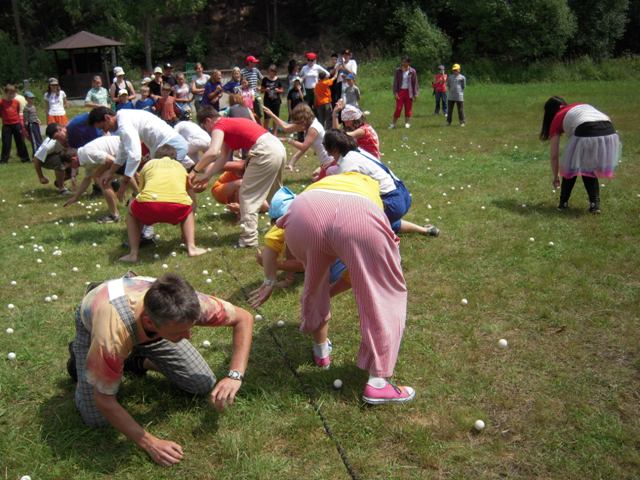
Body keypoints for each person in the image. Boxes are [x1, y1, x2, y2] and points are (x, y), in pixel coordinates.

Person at [249, 172, 415, 404]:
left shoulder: (308, 193)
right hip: (358, 216)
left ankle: (321, 353)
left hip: (304, 215)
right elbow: (356, 274)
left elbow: (270, 244)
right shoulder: (369, 187)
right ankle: (378, 382)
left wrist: (269, 280)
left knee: (315, 285)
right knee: (385, 293)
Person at [66, 272, 253, 465]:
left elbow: (244, 318)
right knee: (96, 417)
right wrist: (150, 443)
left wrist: (234, 375)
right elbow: (103, 400)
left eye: (190, 327)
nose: (188, 337)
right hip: (98, 316)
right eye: (180, 331)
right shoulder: (111, 337)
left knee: (201, 383)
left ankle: (133, 361)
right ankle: (81, 358)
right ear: (149, 322)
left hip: (149, 324)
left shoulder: (188, 305)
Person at [192, 106, 286, 247]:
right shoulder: (228, 124)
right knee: (275, 194)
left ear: (208, 121)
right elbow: (223, 158)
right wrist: (207, 176)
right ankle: (287, 227)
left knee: (247, 195)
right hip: (277, 147)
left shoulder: (219, 125)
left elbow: (213, 152)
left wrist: (194, 170)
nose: (208, 131)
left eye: (205, 128)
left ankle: (248, 240)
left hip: (265, 151)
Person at [323, 129, 440, 237]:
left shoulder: (347, 164)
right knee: (386, 222)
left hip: (392, 202)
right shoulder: (358, 152)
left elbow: (344, 196)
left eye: (329, 152)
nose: (329, 156)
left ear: (335, 149)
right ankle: (425, 230)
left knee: (354, 224)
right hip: (403, 194)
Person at [120, 145, 206, 261]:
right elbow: (188, 191)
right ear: (175, 158)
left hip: (149, 205)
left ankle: (133, 253)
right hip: (177, 208)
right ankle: (191, 247)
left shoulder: (149, 164)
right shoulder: (181, 167)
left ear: (155, 156)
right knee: (188, 209)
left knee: (132, 211)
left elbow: (141, 190)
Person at [88, 107, 193, 201]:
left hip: (171, 147)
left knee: (160, 185)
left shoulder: (124, 124)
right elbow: (122, 152)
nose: (105, 131)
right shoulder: (124, 117)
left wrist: (123, 185)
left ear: (107, 118)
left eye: (103, 127)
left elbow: (135, 156)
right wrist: (111, 172)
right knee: (161, 184)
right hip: (166, 147)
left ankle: (182, 207)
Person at [539, 96, 621, 213]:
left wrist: (556, 177)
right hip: (609, 130)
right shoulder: (578, 106)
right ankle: (594, 205)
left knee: (570, 167)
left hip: (586, 129)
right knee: (588, 167)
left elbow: (554, 155)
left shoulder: (557, 117)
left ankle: (563, 203)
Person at [63, 135, 133, 223]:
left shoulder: (86, 154)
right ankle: (138, 198)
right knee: (108, 178)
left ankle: (115, 215)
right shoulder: (83, 158)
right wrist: (75, 197)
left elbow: (111, 161)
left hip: (125, 148)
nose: (72, 168)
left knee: (103, 180)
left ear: (73, 159)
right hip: (122, 151)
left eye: (70, 166)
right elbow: (87, 179)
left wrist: (98, 173)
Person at [263, 102, 333, 171]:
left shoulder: (313, 128)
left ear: (303, 119)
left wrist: (288, 140)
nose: (296, 124)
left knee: (316, 177)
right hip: (326, 162)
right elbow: (286, 127)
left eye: (298, 122)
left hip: (330, 162)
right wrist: (271, 114)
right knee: (315, 175)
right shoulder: (308, 124)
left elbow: (303, 147)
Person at [32, 123, 73, 194]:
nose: (59, 139)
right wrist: (41, 177)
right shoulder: (49, 145)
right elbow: (36, 159)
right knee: (59, 162)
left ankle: (58, 182)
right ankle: (62, 189)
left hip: (59, 153)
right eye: (56, 138)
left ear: (61, 129)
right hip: (45, 159)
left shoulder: (72, 132)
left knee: (73, 169)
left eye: (58, 137)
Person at [1, 84, 30, 163]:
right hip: (6, 125)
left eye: (13, 93)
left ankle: (25, 158)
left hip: (16, 124)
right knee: (6, 143)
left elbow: (17, 111)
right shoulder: (1, 102)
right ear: (6, 93)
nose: (12, 95)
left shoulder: (16, 102)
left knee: (20, 141)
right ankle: (4, 160)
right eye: (10, 93)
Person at [390, 57, 418, 129]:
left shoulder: (412, 71)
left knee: (408, 108)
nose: (403, 63)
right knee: (398, 108)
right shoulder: (398, 71)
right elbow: (395, 82)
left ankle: (407, 123)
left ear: (409, 63)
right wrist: (395, 93)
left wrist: (415, 94)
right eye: (402, 62)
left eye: (405, 62)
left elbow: (415, 83)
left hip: (409, 92)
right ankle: (393, 124)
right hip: (400, 92)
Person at [261, 64, 284, 132]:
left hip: (276, 101)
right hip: (267, 101)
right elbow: (261, 90)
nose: (271, 73)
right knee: (267, 118)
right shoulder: (265, 79)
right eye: (270, 71)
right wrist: (265, 90)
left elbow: (282, 90)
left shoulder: (278, 79)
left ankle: (275, 134)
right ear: (268, 71)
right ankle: (265, 133)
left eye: (273, 71)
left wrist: (278, 90)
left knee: (275, 118)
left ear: (275, 72)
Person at [23, 91, 43, 156]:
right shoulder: (26, 108)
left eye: (32, 98)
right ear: (26, 99)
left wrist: (38, 119)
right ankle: (35, 154)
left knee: (38, 138)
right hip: (31, 124)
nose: (32, 99)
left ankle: (40, 153)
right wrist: (26, 125)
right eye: (30, 98)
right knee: (34, 139)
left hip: (36, 123)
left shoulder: (33, 106)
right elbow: (25, 118)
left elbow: (35, 115)